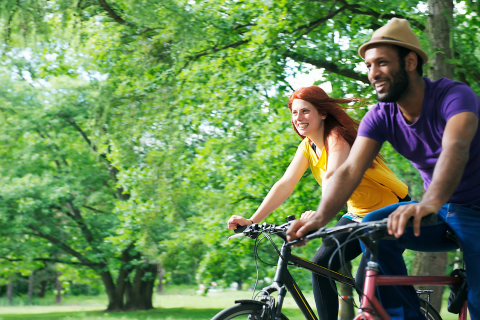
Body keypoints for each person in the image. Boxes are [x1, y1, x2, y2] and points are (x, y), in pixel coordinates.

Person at [286, 18, 480, 320]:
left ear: (411, 61)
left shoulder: (454, 96)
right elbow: (348, 172)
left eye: (382, 63)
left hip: (473, 210)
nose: (373, 73)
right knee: (372, 227)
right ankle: (406, 316)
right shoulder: (381, 115)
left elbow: (456, 149)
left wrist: (428, 202)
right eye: (368, 65)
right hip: (440, 210)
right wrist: (321, 218)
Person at [227, 86, 409, 320]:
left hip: (391, 212)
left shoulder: (337, 138)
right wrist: (253, 220)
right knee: (321, 266)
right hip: (357, 215)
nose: (298, 118)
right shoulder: (307, 146)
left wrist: (321, 215)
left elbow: (334, 178)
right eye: (294, 112)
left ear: (322, 113)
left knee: (366, 281)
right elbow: (286, 183)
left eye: (305, 111)